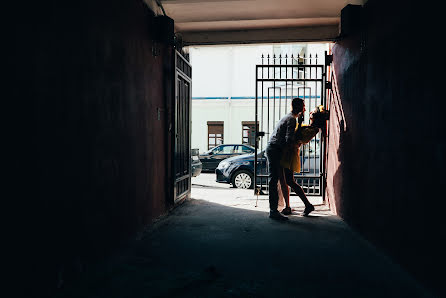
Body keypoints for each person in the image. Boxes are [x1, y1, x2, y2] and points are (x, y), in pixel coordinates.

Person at [279, 105, 328, 216]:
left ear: (315, 116)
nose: (310, 112)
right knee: (288, 181)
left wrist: (300, 122)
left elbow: (296, 137)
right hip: (289, 153)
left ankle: (307, 205)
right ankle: (298, 205)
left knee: (289, 181)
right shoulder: (311, 127)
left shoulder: (313, 129)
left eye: (312, 112)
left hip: (290, 154)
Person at [265, 97, 304, 220]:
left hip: (273, 148)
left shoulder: (288, 117)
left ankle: (275, 209)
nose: (305, 108)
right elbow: (288, 139)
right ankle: (273, 211)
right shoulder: (292, 120)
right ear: (299, 107)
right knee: (273, 179)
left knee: (275, 179)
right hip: (275, 150)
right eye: (303, 106)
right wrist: (297, 144)